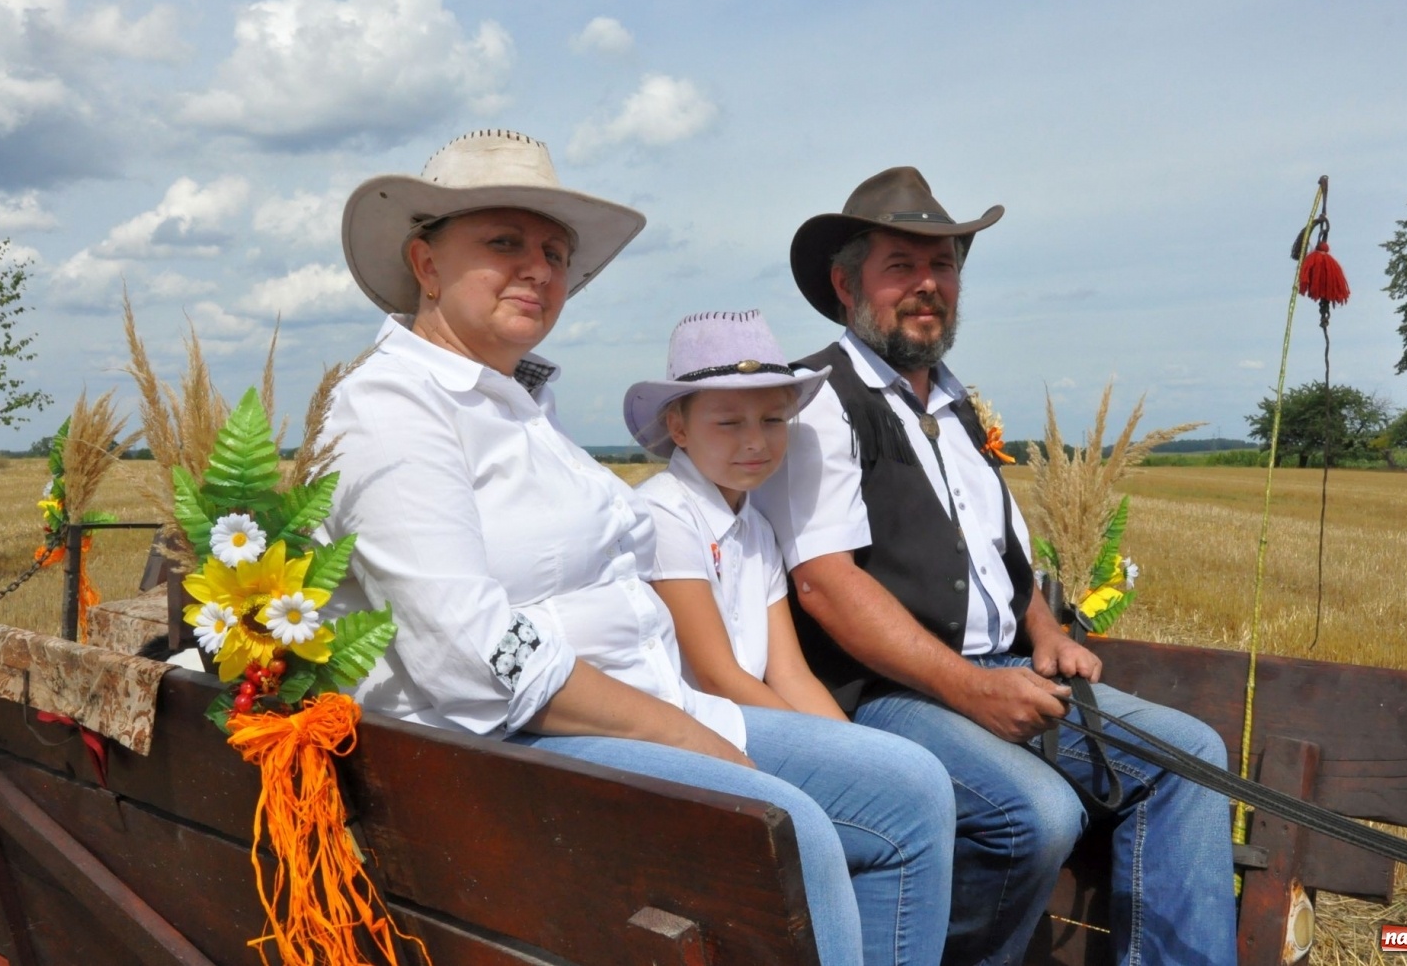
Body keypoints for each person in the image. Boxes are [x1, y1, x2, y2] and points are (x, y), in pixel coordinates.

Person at [319, 130, 956, 966]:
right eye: (503, 242)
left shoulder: (516, 404)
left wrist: (687, 719)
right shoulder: (395, 408)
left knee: (911, 788)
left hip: (642, 708)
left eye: (554, 250)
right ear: (425, 264)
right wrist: (687, 735)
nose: (540, 269)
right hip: (506, 748)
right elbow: (471, 649)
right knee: (788, 826)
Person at [756, 166, 1239, 965]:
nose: (927, 286)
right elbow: (825, 584)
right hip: (883, 691)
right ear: (847, 285)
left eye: (942, 265)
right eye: (901, 267)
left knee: (1194, 757)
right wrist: (975, 689)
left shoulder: (960, 405)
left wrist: (1043, 627)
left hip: (1003, 665)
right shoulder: (819, 401)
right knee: (1036, 814)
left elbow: (1000, 554)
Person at [626, 309, 848, 720]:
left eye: (772, 420)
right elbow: (717, 679)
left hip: (752, 722)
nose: (755, 442)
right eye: (729, 422)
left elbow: (791, 674)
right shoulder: (662, 513)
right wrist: (827, 746)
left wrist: (857, 747)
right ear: (679, 428)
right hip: (693, 735)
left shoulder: (758, 530)